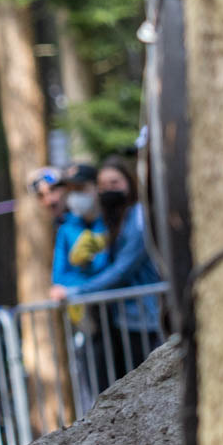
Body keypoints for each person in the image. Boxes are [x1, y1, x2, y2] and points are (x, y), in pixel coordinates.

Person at [54, 156, 163, 385]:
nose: (108, 191)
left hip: (143, 321)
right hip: (115, 323)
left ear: (129, 183)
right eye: (104, 186)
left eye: (115, 183)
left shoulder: (138, 218)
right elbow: (61, 275)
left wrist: (77, 292)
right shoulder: (107, 221)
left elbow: (121, 270)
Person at [50, 161, 109, 293]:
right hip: (83, 308)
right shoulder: (65, 229)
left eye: (80, 188)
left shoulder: (112, 222)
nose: (75, 194)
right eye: (70, 190)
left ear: (97, 187)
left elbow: (117, 271)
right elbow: (58, 277)